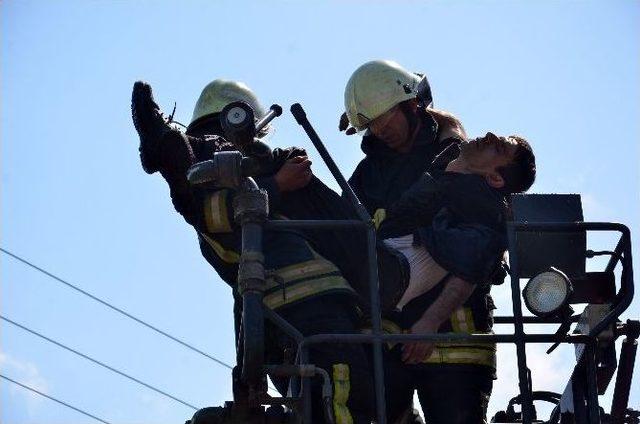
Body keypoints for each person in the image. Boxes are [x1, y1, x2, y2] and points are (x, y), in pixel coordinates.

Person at [131, 79, 374, 423]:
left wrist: (247, 372)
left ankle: (167, 144)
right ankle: (167, 144)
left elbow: (243, 289)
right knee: (342, 403)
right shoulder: (249, 176)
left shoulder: (263, 169)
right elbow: (244, 283)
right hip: (320, 311)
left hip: (282, 321)